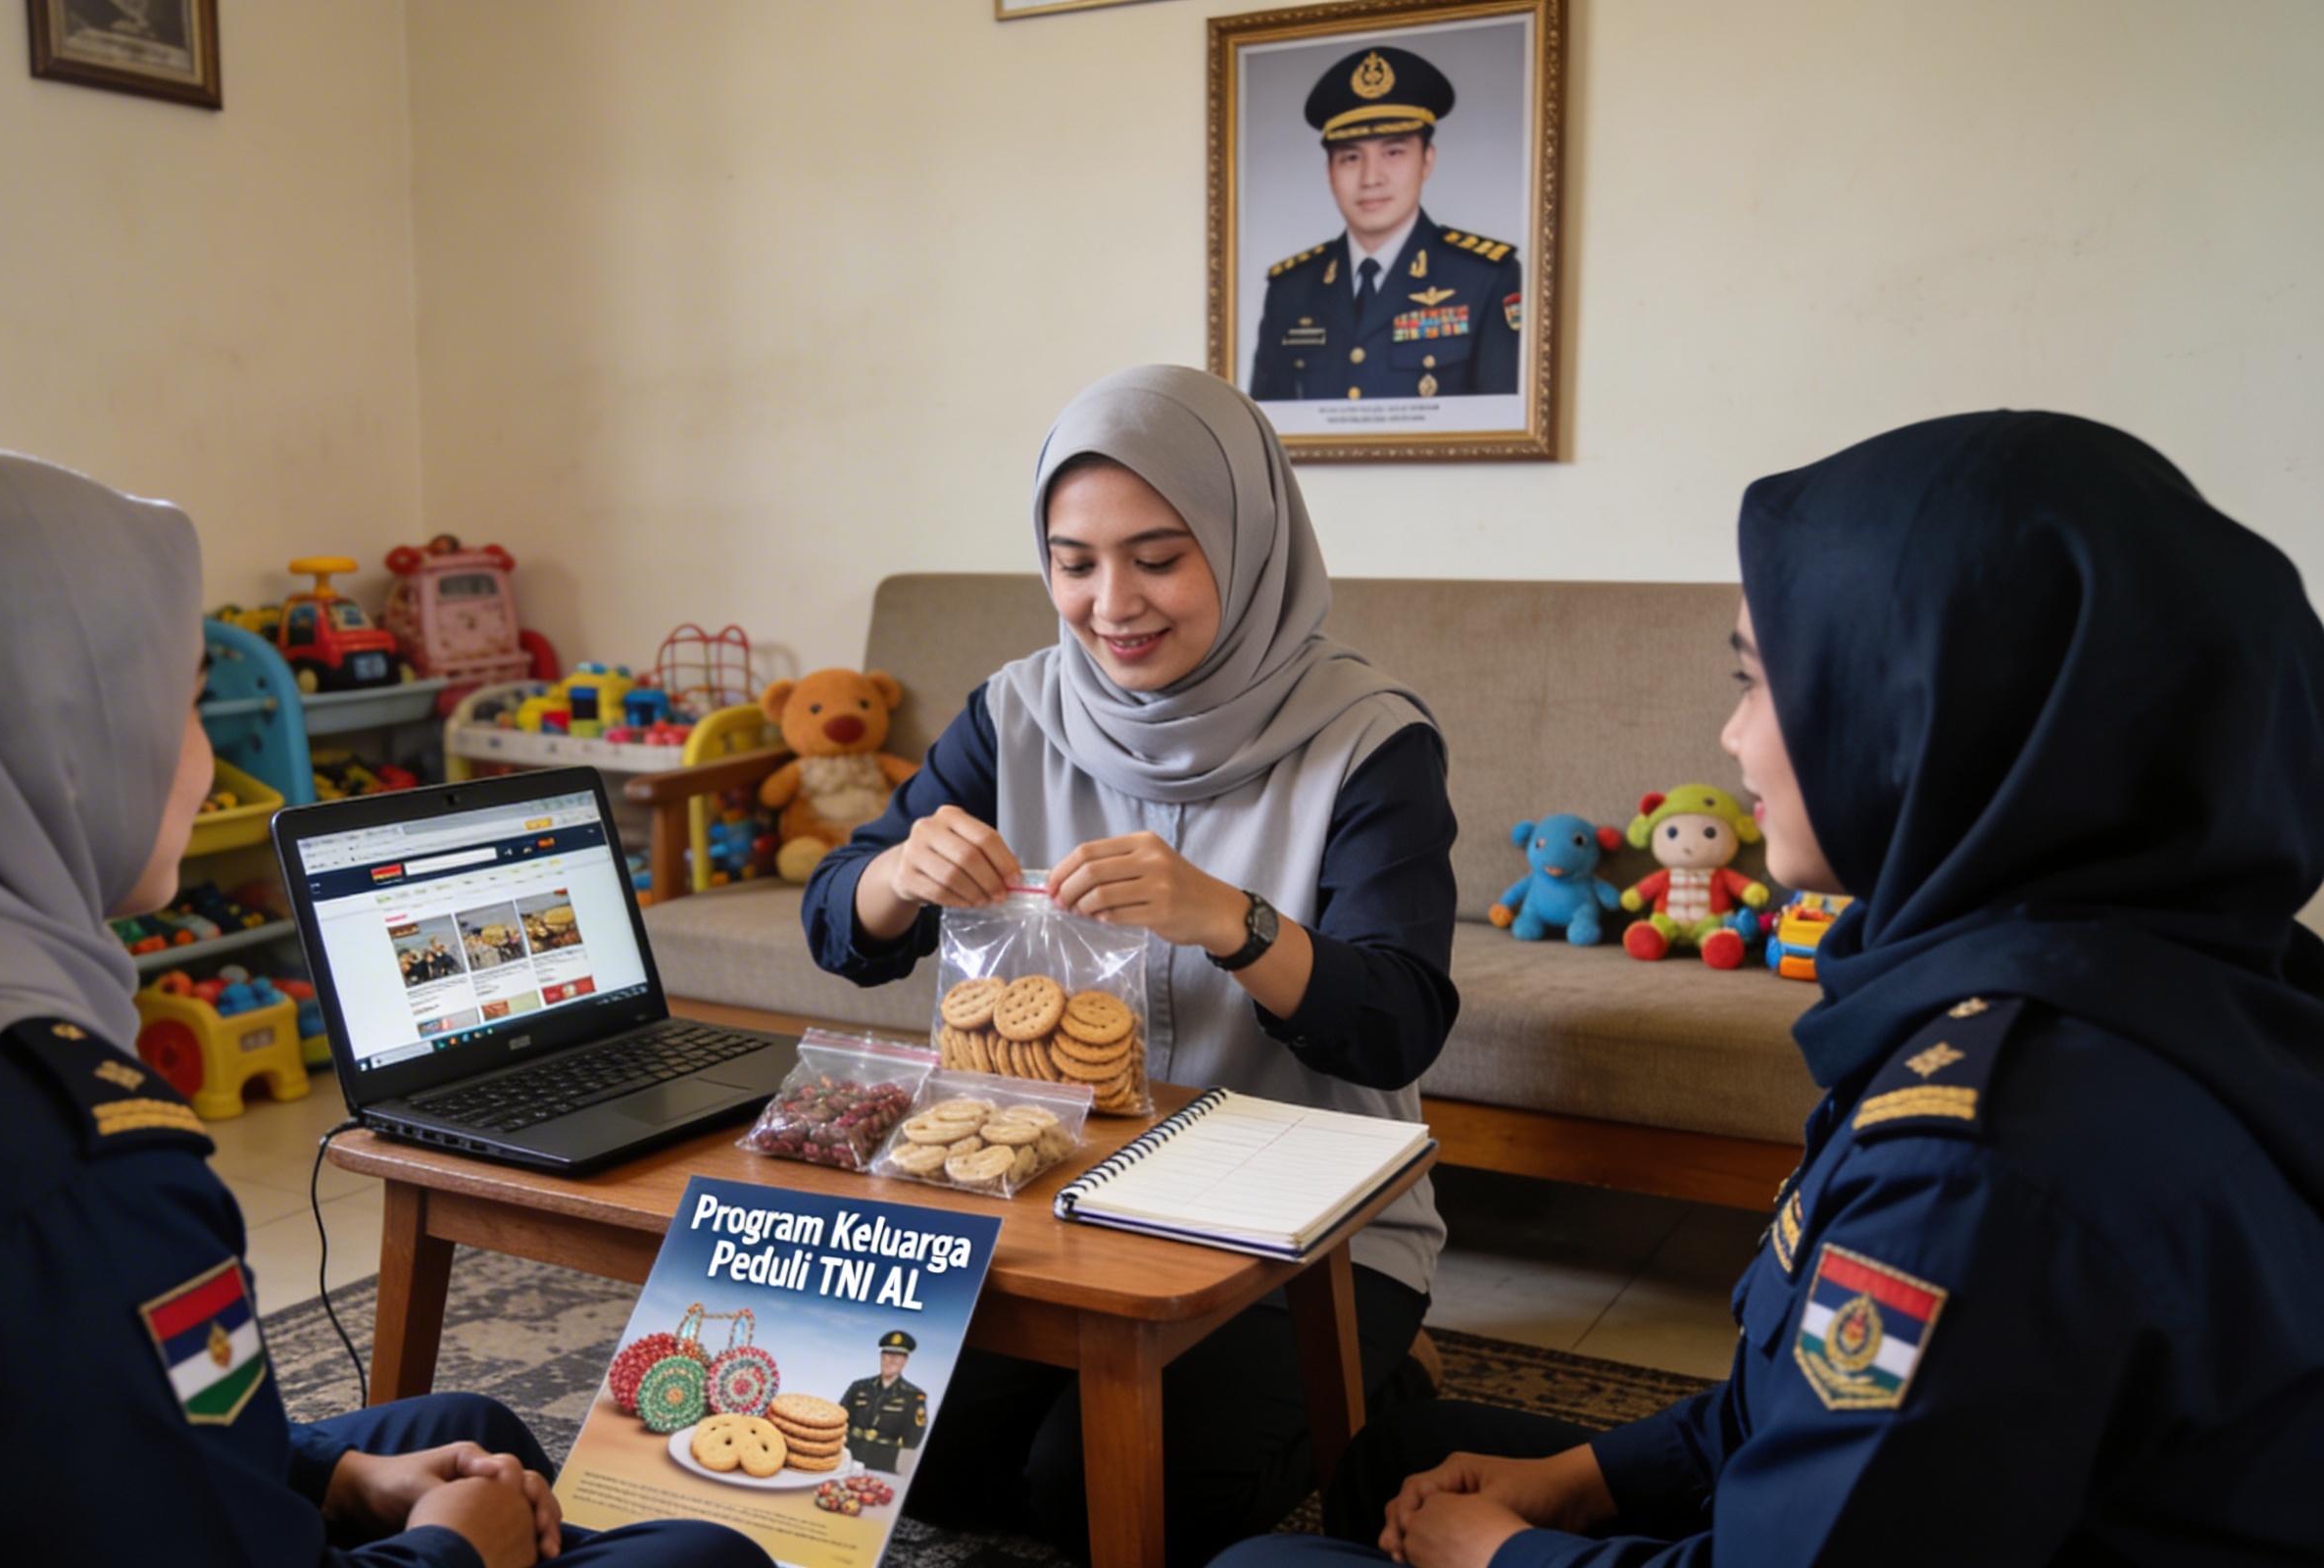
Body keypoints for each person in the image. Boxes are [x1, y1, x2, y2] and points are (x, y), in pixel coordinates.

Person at [0, 447, 770, 1568]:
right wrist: (456, 1555)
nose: (197, 758)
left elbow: (32, 1406)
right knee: (703, 1561)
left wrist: (338, 1478)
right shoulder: (64, 1164)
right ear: (48, 741)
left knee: (463, 1426)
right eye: (178, 702)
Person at [1209, 411, 2324, 1568]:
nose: (1734, 741)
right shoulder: (2158, 966)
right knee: (1408, 1457)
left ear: (1930, 715)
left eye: (1759, 682)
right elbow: (1811, 1397)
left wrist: (1497, 1556)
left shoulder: (1983, 1161)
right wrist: (1582, 1483)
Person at [802, 365, 1460, 1565]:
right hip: (1049, 1204)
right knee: (901, 1455)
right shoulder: (1016, 711)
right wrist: (899, 873)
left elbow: (1401, 1025)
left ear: (1244, 540)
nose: (1111, 604)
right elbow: (838, 921)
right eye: (1074, 560)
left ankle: (1383, 1373)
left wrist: (1233, 922)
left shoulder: (1369, 740)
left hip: (1296, 1234)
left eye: (1159, 557)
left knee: (1103, 1498)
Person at [1248, 45, 1520, 405]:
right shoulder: (1290, 290)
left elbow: (1501, 425)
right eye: (1350, 157)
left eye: (1393, 153)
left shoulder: (1484, 277)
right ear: (1329, 172)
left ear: (1427, 161)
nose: (1371, 178)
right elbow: (1264, 430)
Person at [838, 1332, 929, 1474]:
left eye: (897, 1356)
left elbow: (913, 1440)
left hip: (882, 1464)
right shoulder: (859, 1387)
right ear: (881, 1356)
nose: (891, 1360)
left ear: (905, 1360)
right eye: (887, 1354)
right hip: (846, 1459)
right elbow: (839, 1419)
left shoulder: (913, 1396)